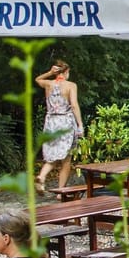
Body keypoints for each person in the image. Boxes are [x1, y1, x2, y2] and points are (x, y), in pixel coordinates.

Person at [34, 61, 84, 194]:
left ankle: (41, 176)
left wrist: (49, 73)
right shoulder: (70, 85)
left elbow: (37, 79)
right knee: (66, 158)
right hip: (65, 123)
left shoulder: (48, 84)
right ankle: (61, 192)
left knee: (51, 156)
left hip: (51, 122)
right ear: (66, 72)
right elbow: (73, 105)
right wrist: (80, 124)